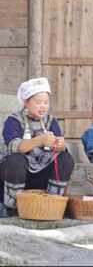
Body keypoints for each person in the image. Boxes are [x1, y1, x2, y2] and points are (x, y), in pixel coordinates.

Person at [0, 77, 75, 217]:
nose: (43, 106)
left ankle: (53, 203)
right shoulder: (13, 120)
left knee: (65, 159)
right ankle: (13, 207)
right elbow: (15, 146)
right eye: (38, 102)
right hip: (18, 174)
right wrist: (39, 140)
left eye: (46, 102)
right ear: (26, 102)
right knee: (16, 160)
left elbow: (58, 144)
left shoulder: (51, 121)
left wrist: (60, 145)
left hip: (42, 174)